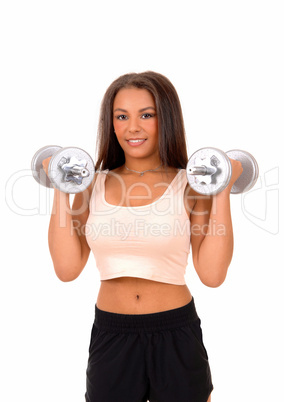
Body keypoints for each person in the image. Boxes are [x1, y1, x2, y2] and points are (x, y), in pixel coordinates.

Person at [43, 71, 243, 402]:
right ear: (111, 124)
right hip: (112, 334)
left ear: (166, 118)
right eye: (121, 116)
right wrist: (60, 186)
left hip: (176, 334)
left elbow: (212, 275)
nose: (132, 127)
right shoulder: (92, 183)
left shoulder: (190, 184)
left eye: (146, 115)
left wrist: (221, 188)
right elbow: (66, 269)